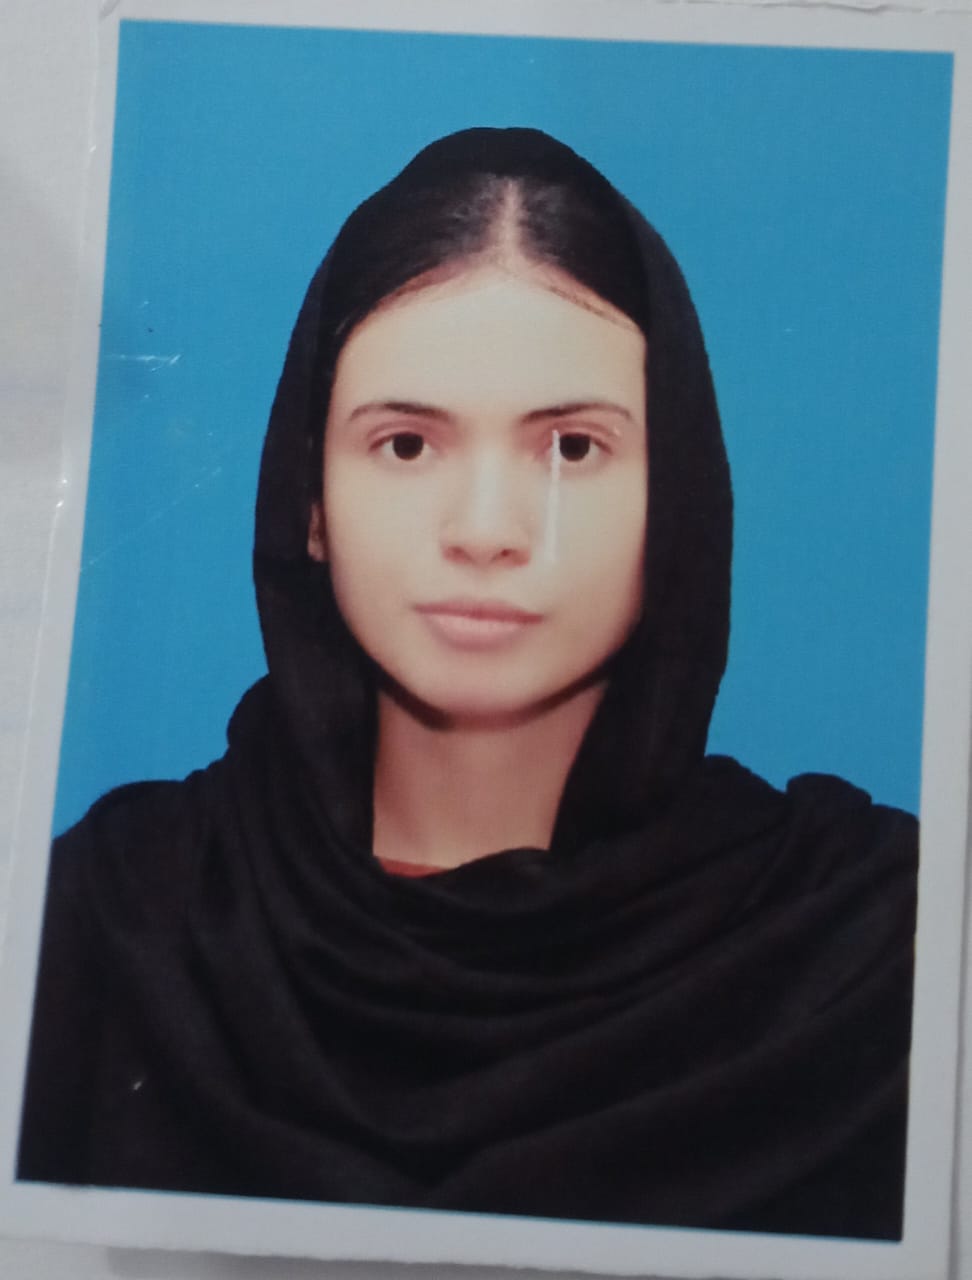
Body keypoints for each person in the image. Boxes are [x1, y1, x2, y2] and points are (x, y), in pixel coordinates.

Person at [18, 128, 917, 1239]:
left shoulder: (882, 942)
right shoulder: (102, 920)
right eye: (405, 444)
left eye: (572, 448)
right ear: (309, 502)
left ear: (676, 503)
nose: (487, 530)